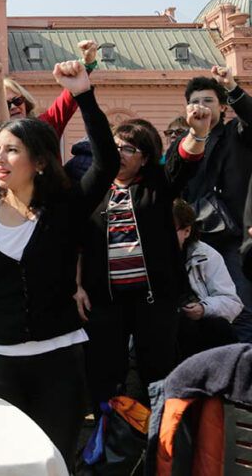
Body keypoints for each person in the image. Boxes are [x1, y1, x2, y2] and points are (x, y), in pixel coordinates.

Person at [0, 60, 119, 466]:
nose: (0, 159)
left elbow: (107, 165)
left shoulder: (65, 211)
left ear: (40, 161)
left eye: (12, 150)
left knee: (52, 461)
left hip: (58, 362)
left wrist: (83, 94)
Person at [78, 111, 206, 413]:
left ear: (145, 159)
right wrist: (77, 285)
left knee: (158, 374)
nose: (119, 153)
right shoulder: (94, 188)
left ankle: (161, 442)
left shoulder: (156, 188)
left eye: (128, 149)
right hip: (105, 302)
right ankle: (108, 443)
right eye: (115, 146)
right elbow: (77, 243)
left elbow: (182, 164)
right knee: (104, 376)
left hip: (154, 301)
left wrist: (197, 132)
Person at [171, 67, 252, 341]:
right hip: (191, 237)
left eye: (208, 100)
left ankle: (242, 372)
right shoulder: (181, 144)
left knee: (240, 306)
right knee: (193, 309)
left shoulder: (237, 135)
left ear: (223, 106)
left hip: (232, 237)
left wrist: (232, 86)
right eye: (194, 101)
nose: (200, 106)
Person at [0, 40, 98, 137]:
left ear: (25, 103)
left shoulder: (44, 127)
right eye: (6, 105)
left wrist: (86, 64)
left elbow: (67, 99)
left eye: (17, 101)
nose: (13, 107)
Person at [173, 199, 241, 359]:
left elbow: (231, 302)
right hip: (161, 327)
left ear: (187, 231)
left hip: (195, 325)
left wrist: (204, 309)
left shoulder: (205, 255)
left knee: (219, 328)